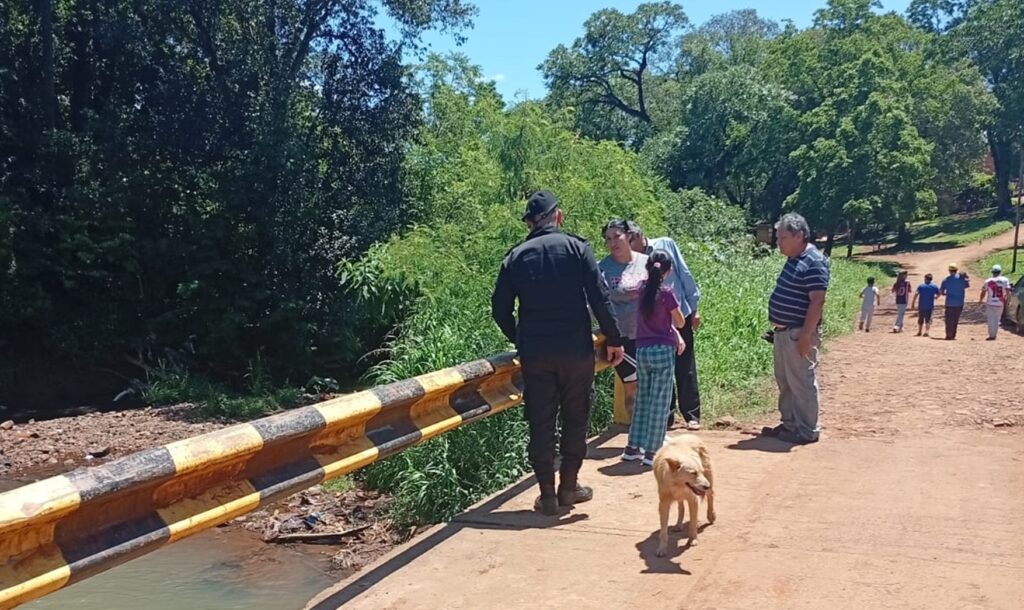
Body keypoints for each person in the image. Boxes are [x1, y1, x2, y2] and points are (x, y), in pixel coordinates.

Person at [491, 190, 625, 516]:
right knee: (576, 419)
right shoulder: (577, 249)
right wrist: (614, 339)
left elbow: (500, 310)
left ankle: (547, 495)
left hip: (536, 354)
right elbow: (600, 297)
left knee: (541, 422)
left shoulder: (516, 256)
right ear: (559, 216)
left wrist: (521, 338)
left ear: (529, 224)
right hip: (576, 351)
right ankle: (569, 487)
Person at [761, 213, 829, 445]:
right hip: (785, 332)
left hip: (798, 333)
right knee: (786, 381)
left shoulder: (813, 261)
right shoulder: (794, 258)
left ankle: (807, 430)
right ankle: (790, 424)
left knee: (801, 382)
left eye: (782, 237)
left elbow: (817, 301)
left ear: (799, 235)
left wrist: (806, 336)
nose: (778, 242)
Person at [628, 223, 703, 431]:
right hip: (655, 323)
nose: (628, 246)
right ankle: (667, 416)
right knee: (662, 370)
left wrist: (695, 307)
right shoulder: (632, 261)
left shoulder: (666, 244)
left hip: (679, 313)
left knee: (685, 365)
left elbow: (685, 274)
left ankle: (691, 414)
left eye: (630, 240)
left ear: (639, 236)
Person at [621, 250, 687, 466]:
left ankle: (633, 447)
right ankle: (652, 452)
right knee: (660, 401)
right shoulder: (666, 293)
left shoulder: (640, 289)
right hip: (662, 350)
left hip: (642, 350)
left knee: (643, 400)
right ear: (667, 272)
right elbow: (680, 322)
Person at [598, 220, 648, 416]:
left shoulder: (646, 263)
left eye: (616, 236)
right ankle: (635, 433)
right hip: (622, 339)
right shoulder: (601, 268)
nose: (612, 242)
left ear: (628, 236)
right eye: (608, 239)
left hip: (650, 335)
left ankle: (652, 433)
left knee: (651, 388)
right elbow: (596, 304)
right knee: (632, 386)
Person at [980, 264, 1012, 340]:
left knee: (991, 318)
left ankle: (992, 334)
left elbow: (983, 292)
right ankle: (994, 334)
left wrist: (981, 300)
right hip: (1000, 302)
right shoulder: (1005, 280)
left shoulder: (988, 281)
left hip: (990, 302)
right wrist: (1008, 300)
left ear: (992, 272)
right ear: (1000, 272)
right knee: (997, 319)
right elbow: (1008, 292)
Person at [940, 263, 970, 340]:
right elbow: (967, 285)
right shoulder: (961, 279)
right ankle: (953, 335)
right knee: (955, 319)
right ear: (956, 270)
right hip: (959, 303)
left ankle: (948, 334)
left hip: (949, 303)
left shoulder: (946, 280)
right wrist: (965, 277)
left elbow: (942, 292)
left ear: (949, 271)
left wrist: (945, 293)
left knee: (949, 319)